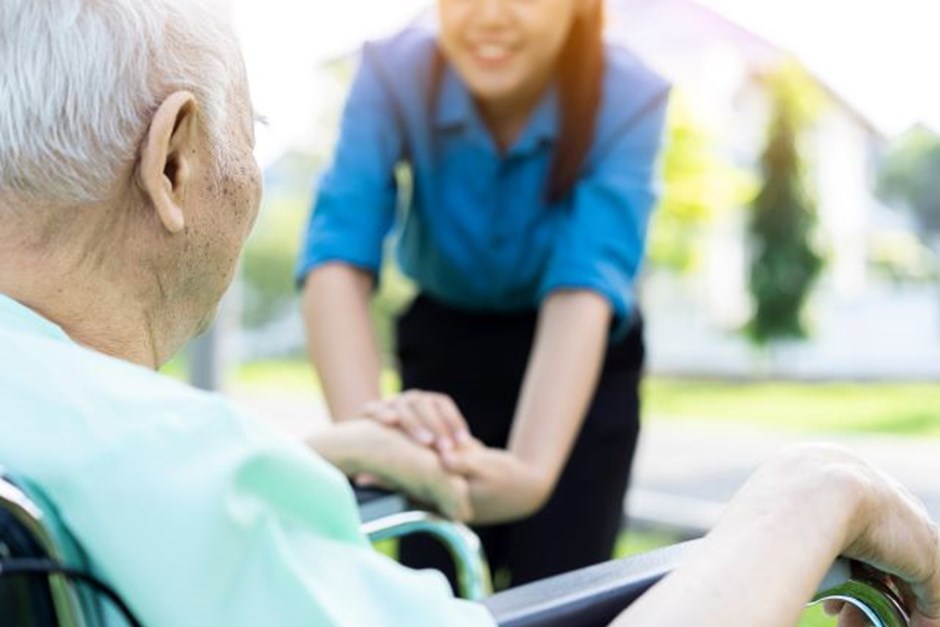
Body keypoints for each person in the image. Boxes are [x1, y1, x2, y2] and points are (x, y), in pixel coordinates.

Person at [1, 1, 939, 626]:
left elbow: (587, 280)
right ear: (175, 161)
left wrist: (362, 455)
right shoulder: (196, 471)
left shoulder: (111, 442)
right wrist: (819, 490)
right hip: (447, 330)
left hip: (579, 350)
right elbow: (339, 252)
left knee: (560, 549)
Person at [297, 0, 669, 588]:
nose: (489, 15)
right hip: (445, 351)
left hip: (578, 366)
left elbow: (587, 275)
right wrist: (369, 440)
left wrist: (532, 471)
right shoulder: (392, 70)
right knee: (435, 588)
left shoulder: (629, 94)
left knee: (565, 593)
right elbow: (338, 250)